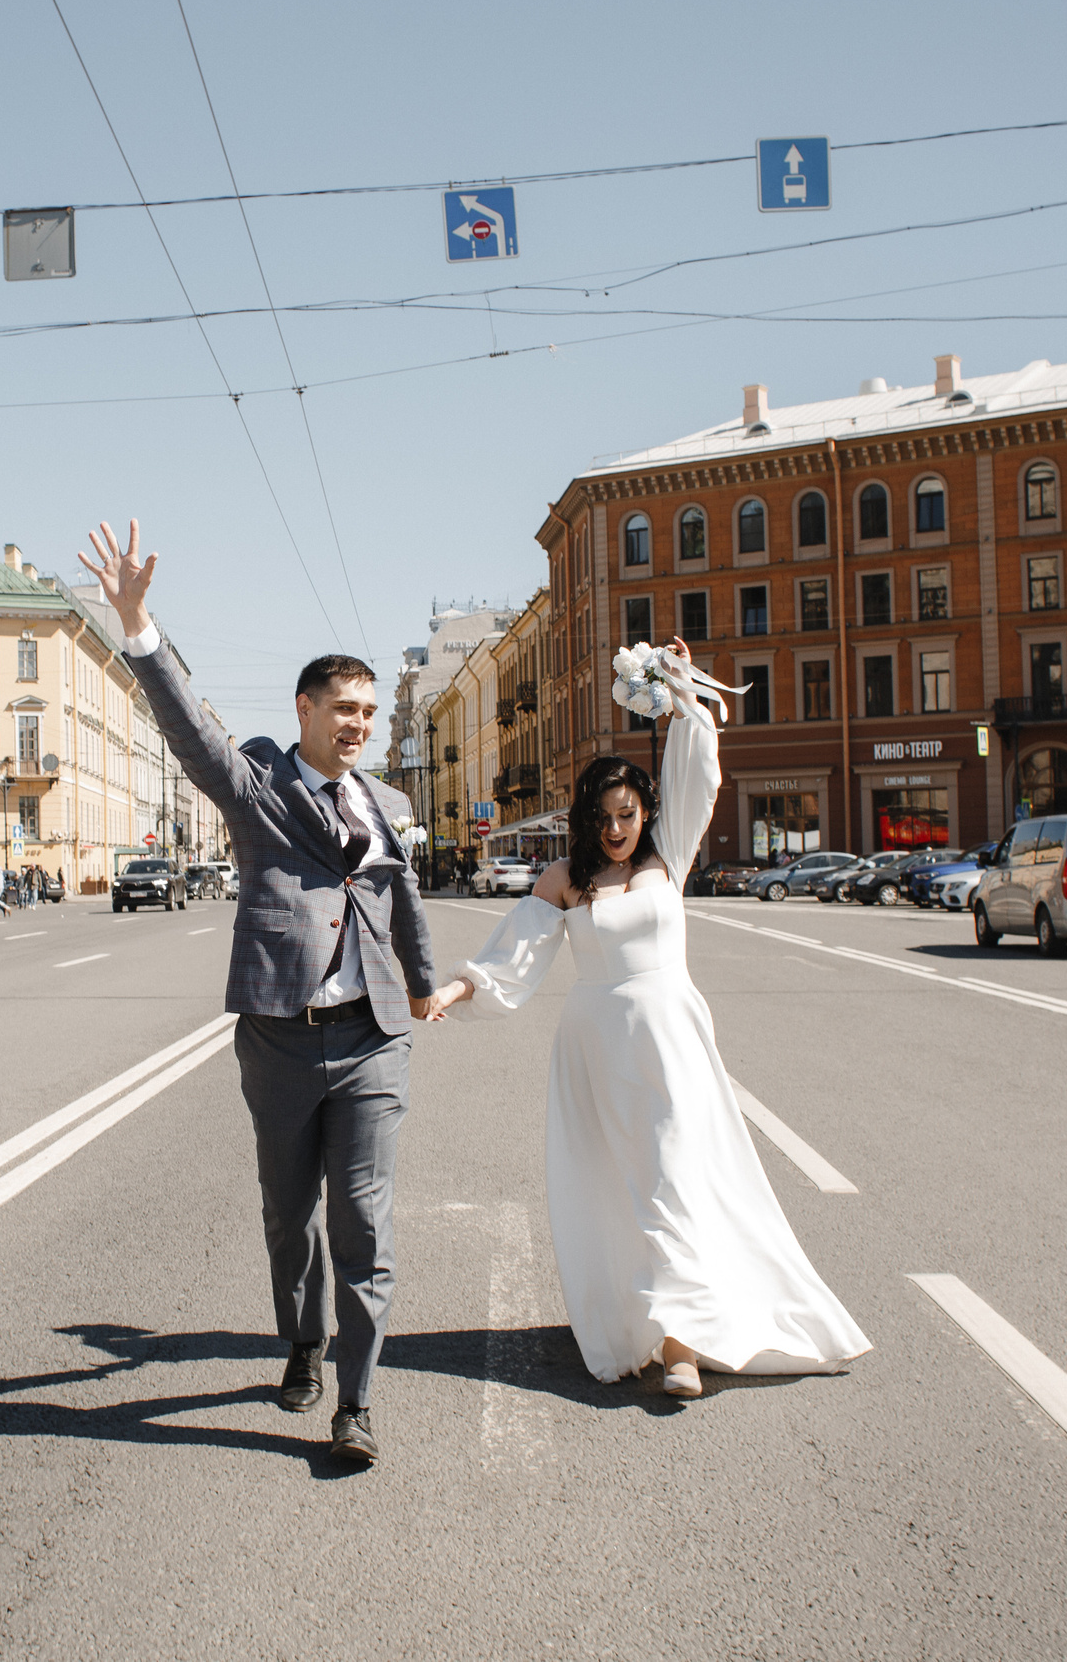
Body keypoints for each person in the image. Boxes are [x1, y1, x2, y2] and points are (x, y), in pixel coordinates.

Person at [81, 520, 435, 1468]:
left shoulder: (389, 806)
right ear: (305, 707)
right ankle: (304, 1339)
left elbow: (402, 901)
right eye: (344, 707)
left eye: (370, 710)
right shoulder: (263, 789)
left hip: (372, 1038)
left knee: (365, 1216)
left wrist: (427, 988)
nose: (359, 723)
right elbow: (193, 734)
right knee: (292, 1216)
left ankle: (355, 1404)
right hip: (280, 1038)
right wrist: (139, 627)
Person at [431, 638, 870, 1396]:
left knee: (674, 1175)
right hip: (598, 1049)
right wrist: (454, 992)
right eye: (602, 817)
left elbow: (699, 765)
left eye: (626, 814)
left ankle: (681, 1344)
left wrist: (679, 689)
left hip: (671, 1040)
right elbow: (517, 956)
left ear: (645, 814)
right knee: (622, 1184)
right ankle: (652, 1323)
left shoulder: (670, 853)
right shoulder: (566, 877)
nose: (614, 829)